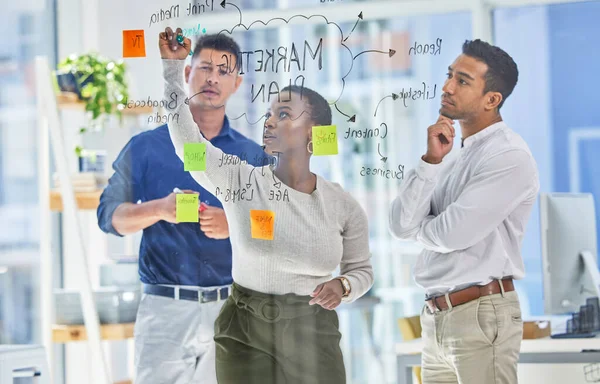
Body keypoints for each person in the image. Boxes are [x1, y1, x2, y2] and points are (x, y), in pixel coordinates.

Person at [158, 27, 374, 383]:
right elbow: (187, 147)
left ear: (313, 133)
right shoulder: (238, 180)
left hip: (313, 330)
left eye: (285, 115)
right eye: (271, 113)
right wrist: (171, 68)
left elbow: (362, 270)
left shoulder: (343, 206)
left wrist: (344, 287)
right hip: (243, 328)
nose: (270, 120)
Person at [97, 32, 267, 384]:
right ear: (187, 72)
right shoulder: (146, 148)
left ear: (236, 84)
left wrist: (233, 224)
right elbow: (109, 218)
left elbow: (277, 230)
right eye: (204, 68)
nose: (212, 79)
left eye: (223, 72)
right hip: (165, 310)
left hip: (232, 309)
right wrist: (159, 208)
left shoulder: (252, 157)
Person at [389, 39, 539, 384]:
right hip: (437, 317)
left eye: (463, 80)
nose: (447, 87)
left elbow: (449, 235)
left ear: (492, 100)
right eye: (449, 75)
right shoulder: (450, 155)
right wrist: (430, 162)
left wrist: (420, 229)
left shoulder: (508, 156)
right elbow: (399, 225)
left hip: (480, 315)